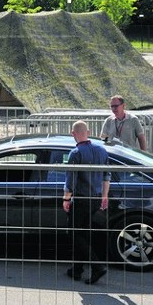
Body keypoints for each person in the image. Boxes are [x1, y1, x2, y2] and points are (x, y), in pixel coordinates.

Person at [63, 120, 110, 285]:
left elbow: (71, 181)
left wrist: (66, 198)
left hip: (82, 200)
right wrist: (104, 197)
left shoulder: (75, 153)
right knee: (83, 235)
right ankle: (76, 270)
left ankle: (97, 267)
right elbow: (106, 176)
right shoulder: (101, 150)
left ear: (73, 133)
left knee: (75, 233)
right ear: (88, 132)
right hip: (96, 199)